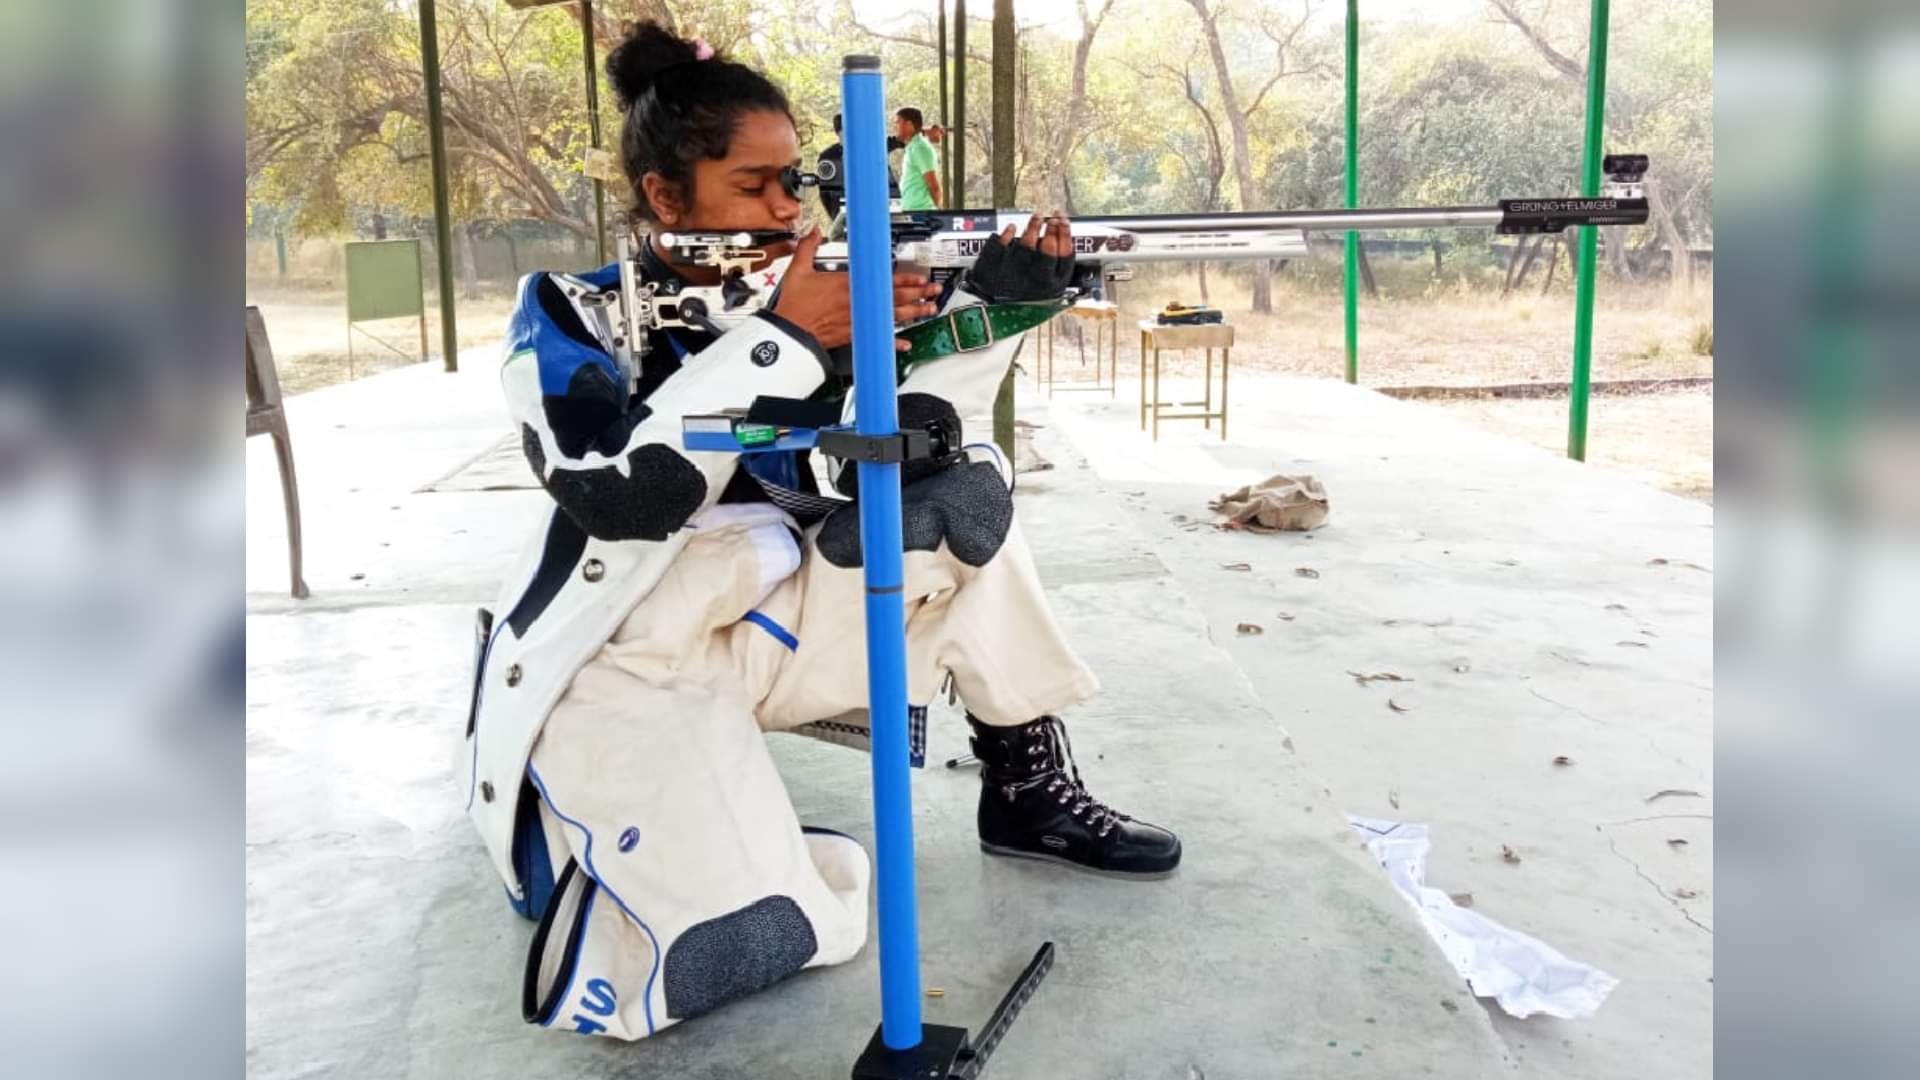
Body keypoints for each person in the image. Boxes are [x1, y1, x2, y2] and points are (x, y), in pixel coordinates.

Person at [460, 22, 1180, 1042]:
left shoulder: (800, 296)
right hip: (627, 658)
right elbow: (614, 495)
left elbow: (891, 440)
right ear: (667, 197)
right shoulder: (567, 315)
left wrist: (999, 309)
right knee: (746, 937)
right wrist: (787, 334)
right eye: (754, 185)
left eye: (792, 180)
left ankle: (1023, 785)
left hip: (767, 621)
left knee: (964, 512)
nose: (787, 208)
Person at [814, 112, 902, 220]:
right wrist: (835, 215)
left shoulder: (872, 147)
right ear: (838, 133)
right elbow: (825, 192)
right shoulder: (828, 157)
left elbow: (896, 142)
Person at [895, 106, 941, 210]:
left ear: (909, 124)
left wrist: (939, 214)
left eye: (898, 122)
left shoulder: (920, 148)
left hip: (922, 212)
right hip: (913, 212)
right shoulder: (913, 146)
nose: (896, 126)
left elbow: (934, 187)